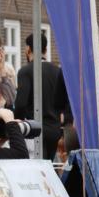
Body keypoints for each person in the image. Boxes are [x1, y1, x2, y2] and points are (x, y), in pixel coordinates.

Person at [15, 31, 69, 159]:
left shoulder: (26, 71)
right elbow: (64, 102)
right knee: (48, 168)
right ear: (45, 49)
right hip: (54, 130)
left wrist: (17, 124)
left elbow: (21, 103)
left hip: (34, 130)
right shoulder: (58, 71)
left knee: (35, 170)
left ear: (28, 49)